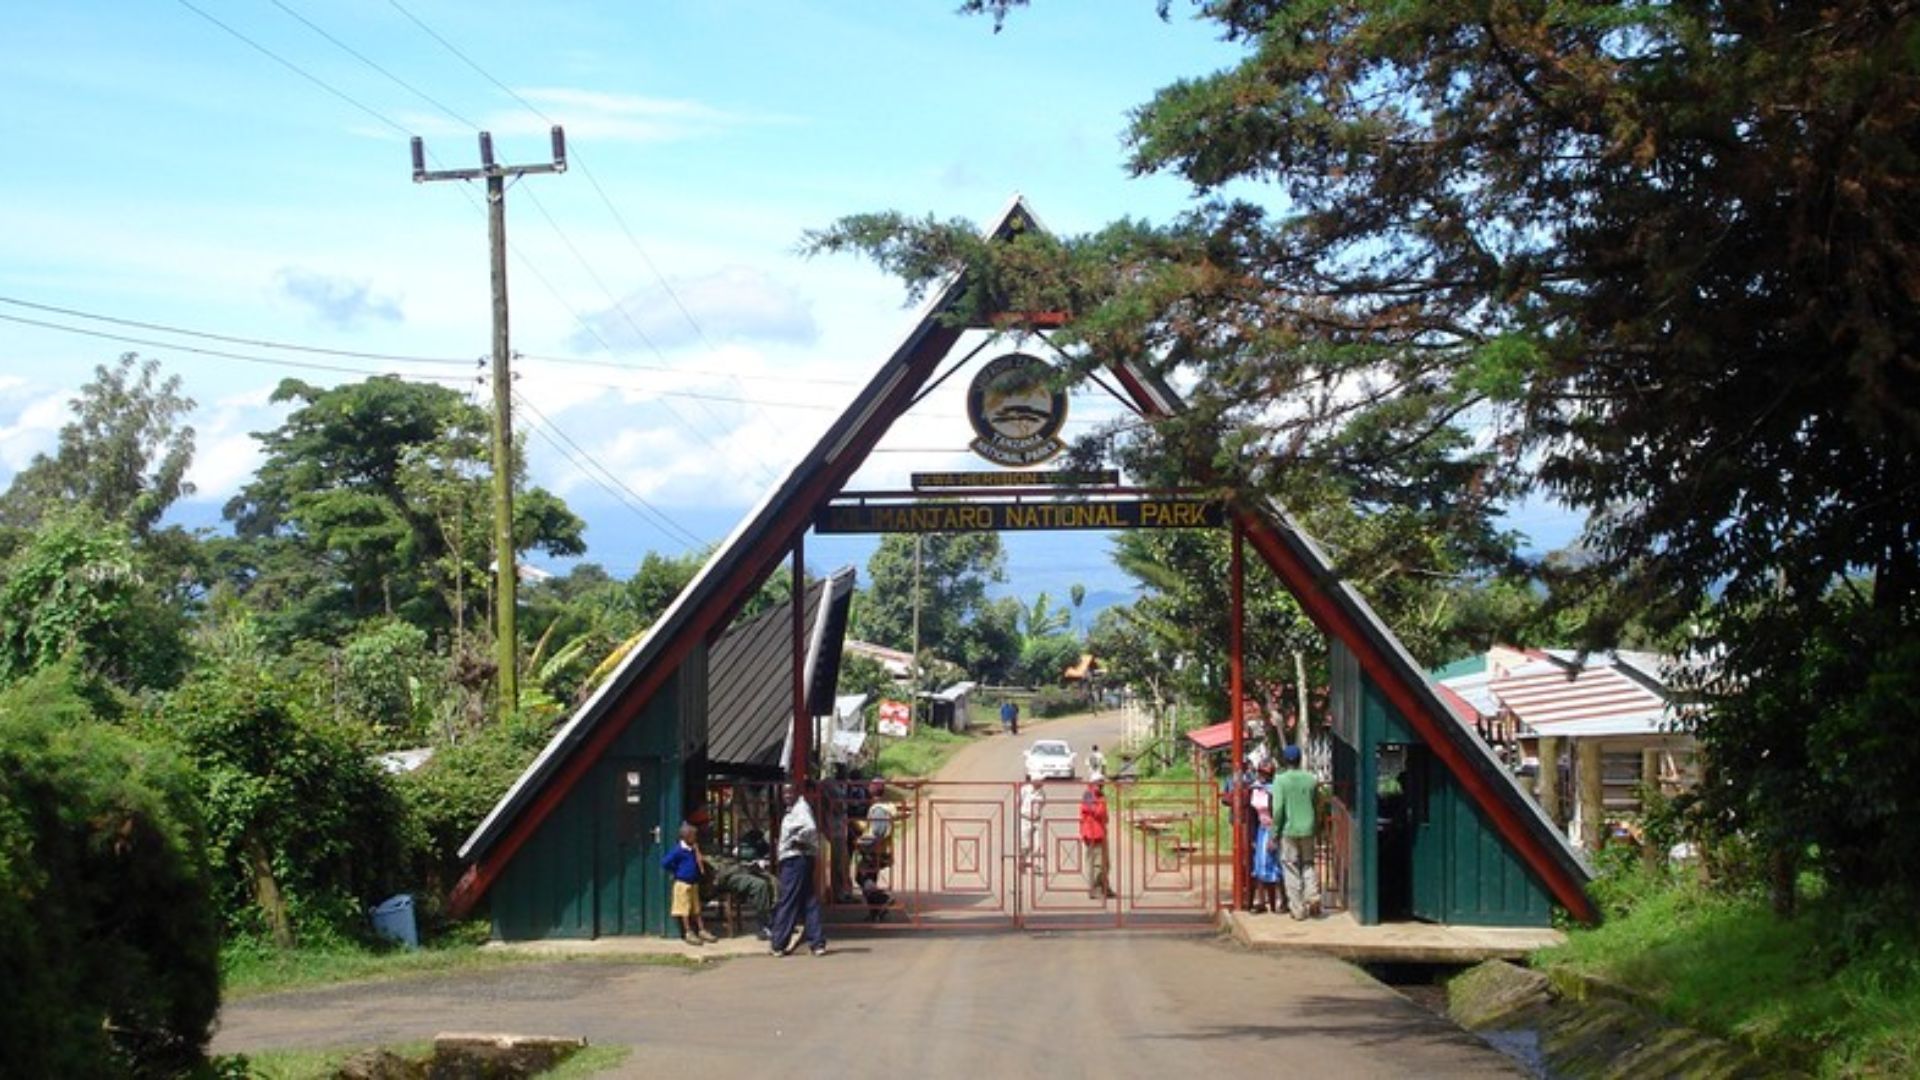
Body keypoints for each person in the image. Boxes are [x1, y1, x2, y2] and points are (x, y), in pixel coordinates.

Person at [768, 784, 828, 956]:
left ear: (797, 792)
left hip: (795, 860)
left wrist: (797, 840)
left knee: (788, 900)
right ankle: (817, 943)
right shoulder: (794, 809)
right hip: (802, 859)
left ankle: (779, 943)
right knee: (809, 900)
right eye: (784, 792)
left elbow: (810, 828)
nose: (786, 795)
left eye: (790, 792)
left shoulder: (800, 809)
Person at [1273, 744, 1322, 920]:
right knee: (1308, 863)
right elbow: (1316, 804)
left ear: (1285, 761)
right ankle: (1313, 895)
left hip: (1289, 829)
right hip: (1308, 827)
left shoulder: (1280, 780)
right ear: (1300, 760)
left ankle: (1298, 909)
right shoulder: (1311, 779)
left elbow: (1278, 809)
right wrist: (1317, 826)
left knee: (1290, 867)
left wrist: (1275, 832)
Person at [661, 822, 718, 945]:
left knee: (696, 908)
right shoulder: (679, 850)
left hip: (693, 882)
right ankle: (688, 931)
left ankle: (701, 929)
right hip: (683, 883)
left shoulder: (693, 849)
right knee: (684, 909)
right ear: (686, 837)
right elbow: (665, 862)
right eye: (693, 836)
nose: (695, 838)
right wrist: (676, 871)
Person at [1249, 761, 1281, 914]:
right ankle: (1261, 902)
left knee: (1273, 865)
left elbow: (1277, 813)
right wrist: (1252, 835)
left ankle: (1277, 903)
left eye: (1265, 773)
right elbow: (1252, 812)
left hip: (1272, 829)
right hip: (1261, 829)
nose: (1262, 776)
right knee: (1259, 865)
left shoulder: (1274, 791)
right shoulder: (1255, 789)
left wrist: (1274, 836)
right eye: (1260, 772)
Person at [1079, 781, 1113, 900]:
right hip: (1092, 833)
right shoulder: (1088, 795)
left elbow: (1105, 816)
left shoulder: (1100, 795)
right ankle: (1094, 889)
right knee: (1097, 863)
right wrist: (1101, 804)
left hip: (1100, 832)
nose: (1100, 785)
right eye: (1097, 783)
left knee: (1105, 863)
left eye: (1101, 783)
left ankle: (1104, 887)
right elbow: (1097, 812)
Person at [1019, 775, 1046, 869]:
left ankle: (1036, 865)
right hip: (1025, 819)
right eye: (1040, 781)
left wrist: (1036, 813)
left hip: (1036, 820)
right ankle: (1023, 862)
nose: (1042, 783)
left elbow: (1043, 804)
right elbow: (1018, 802)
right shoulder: (1025, 790)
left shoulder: (1042, 792)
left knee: (1037, 844)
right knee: (1025, 844)